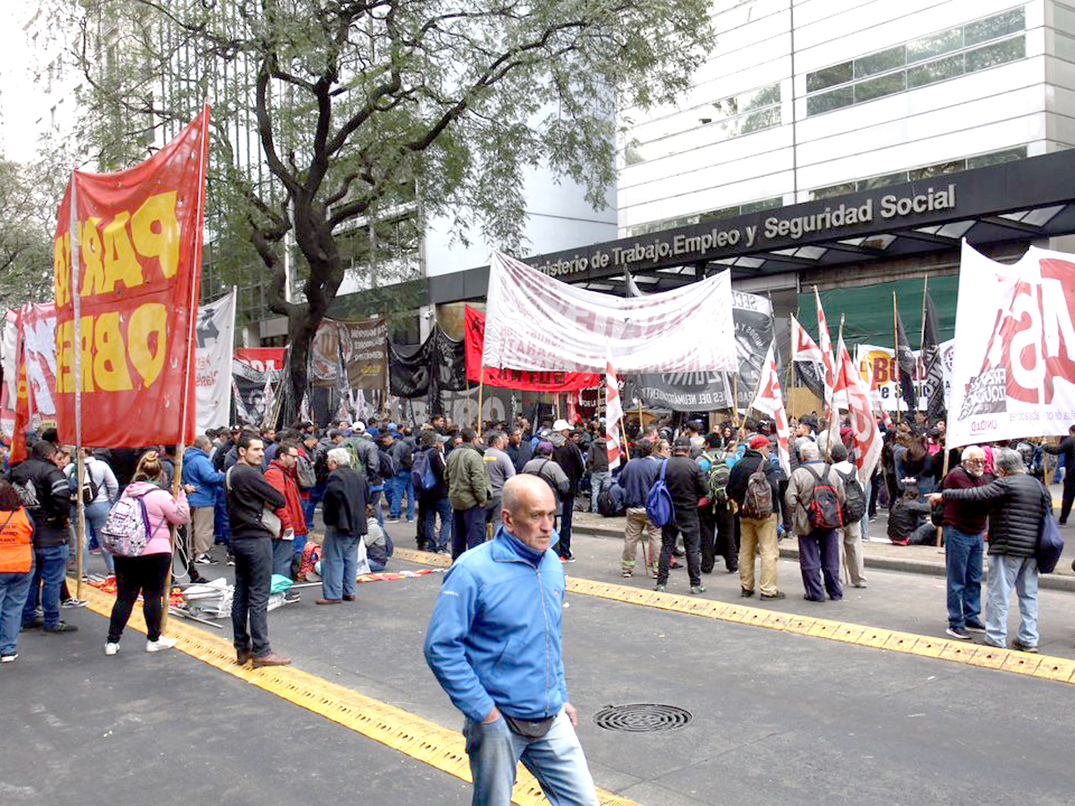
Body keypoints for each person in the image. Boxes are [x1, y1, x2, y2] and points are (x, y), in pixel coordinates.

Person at [424, 475, 599, 806]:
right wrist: (485, 713)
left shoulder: (550, 563)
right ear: (508, 518)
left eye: (552, 515)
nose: (547, 526)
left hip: (549, 716)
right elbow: (441, 648)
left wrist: (559, 694)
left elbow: (547, 636)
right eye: (536, 516)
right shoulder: (472, 570)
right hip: (498, 720)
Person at [929, 449, 1050, 652]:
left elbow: (976, 495)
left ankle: (995, 636)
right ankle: (1029, 638)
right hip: (1032, 549)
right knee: (1028, 595)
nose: (983, 466)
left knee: (999, 593)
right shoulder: (1038, 484)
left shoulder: (1005, 483)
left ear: (1002, 469)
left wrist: (943, 495)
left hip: (1007, 546)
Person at [104, 455, 191, 656]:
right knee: (153, 596)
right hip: (155, 551)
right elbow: (181, 517)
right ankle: (153, 639)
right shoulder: (161, 496)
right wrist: (181, 496)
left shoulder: (127, 493)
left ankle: (112, 641)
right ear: (161, 474)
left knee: (125, 598)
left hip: (125, 551)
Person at [225, 432, 289, 667]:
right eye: (256, 449)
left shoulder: (232, 472)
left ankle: (242, 648)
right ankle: (262, 650)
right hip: (256, 538)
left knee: (241, 594)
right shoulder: (248, 473)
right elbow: (278, 499)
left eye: (262, 449)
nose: (262, 453)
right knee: (258, 595)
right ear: (242, 451)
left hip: (239, 537)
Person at [13, 441, 79, 634]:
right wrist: (60, 516)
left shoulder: (17, 471)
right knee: (53, 579)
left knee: (31, 578)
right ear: (50, 455)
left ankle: (28, 617)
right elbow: (61, 498)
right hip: (52, 533)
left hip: (26, 532)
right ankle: (51, 619)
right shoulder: (52, 472)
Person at [936, 446, 989, 640]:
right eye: (976, 460)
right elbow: (977, 497)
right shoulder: (956, 475)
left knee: (974, 578)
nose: (981, 464)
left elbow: (985, 496)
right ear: (965, 461)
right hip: (958, 531)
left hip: (976, 532)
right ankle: (955, 621)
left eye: (983, 460)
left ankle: (971, 616)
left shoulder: (980, 478)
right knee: (957, 579)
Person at [786, 441, 845, 603]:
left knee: (810, 557)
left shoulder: (798, 473)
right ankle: (835, 591)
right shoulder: (831, 471)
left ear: (803, 456)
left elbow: (790, 500)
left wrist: (800, 507)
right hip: (830, 519)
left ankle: (815, 593)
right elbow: (842, 496)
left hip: (806, 521)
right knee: (831, 556)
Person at [727, 435, 784, 599]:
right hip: (765, 514)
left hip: (744, 513)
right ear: (760, 448)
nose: (769, 450)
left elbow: (729, 489)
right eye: (767, 447)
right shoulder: (766, 466)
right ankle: (768, 589)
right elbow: (775, 489)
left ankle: (746, 586)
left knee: (746, 549)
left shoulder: (738, 465)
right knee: (768, 550)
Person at [654, 438, 708, 595]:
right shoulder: (694, 466)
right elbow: (704, 490)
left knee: (667, 547)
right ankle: (695, 584)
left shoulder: (663, 465)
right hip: (689, 511)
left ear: (673, 449)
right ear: (688, 450)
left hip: (668, 512)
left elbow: (655, 486)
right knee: (691, 549)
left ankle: (661, 583)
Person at [318, 447, 367, 605]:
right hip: (358, 523)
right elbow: (367, 496)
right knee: (350, 558)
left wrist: (329, 520)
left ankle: (333, 594)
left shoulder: (335, 476)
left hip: (340, 523)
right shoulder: (358, 475)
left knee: (333, 559)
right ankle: (349, 591)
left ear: (334, 462)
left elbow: (332, 499)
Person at [63, 447, 120, 576]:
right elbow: (114, 485)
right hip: (101, 504)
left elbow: (62, 483)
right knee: (103, 538)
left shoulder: (71, 467)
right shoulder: (101, 465)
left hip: (78, 506)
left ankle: (82, 571)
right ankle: (112, 569)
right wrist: (110, 500)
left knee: (81, 539)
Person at [0, 479, 35, 662]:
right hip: (23, 563)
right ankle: (8, 650)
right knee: (13, 608)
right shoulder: (22, 513)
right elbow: (32, 532)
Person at [263, 440, 307, 579]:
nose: (295, 460)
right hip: (283, 527)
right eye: (293, 457)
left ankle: (280, 591)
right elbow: (278, 501)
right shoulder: (275, 474)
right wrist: (287, 524)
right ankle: (280, 592)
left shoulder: (281, 473)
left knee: (282, 560)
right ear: (282, 456)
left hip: (285, 525)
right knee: (281, 561)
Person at [617, 441, 661, 578]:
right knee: (655, 537)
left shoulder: (630, 464)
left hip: (633, 507)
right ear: (651, 451)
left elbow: (621, 483)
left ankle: (627, 568)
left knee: (631, 538)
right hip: (652, 508)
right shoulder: (656, 465)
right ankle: (656, 568)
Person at [446, 429, 491, 559]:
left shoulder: (452, 454)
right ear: (473, 439)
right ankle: (474, 564)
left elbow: (446, 476)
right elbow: (477, 480)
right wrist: (482, 499)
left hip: (456, 500)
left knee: (458, 537)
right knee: (475, 538)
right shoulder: (474, 455)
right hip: (472, 502)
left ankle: (457, 563)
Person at [182, 434, 224, 567]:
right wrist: (222, 476)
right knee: (204, 529)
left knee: (194, 529)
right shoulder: (201, 460)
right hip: (204, 498)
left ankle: (192, 553)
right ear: (204, 445)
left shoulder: (187, 458)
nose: (211, 446)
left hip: (192, 498)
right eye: (209, 444)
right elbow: (209, 477)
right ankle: (201, 554)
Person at [829, 443, 867, 589]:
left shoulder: (831, 471)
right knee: (855, 546)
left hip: (839, 512)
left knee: (837, 547)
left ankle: (837, 580)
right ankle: (859, 578)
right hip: (854, 511)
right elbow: (861, 487)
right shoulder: (854, 468)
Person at [550, 419, 585, 562]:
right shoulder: (571, 447)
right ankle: (564, 551)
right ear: (563, 431)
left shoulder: (546, 445)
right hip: (568, 488)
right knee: (566, 521)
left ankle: (551, 550)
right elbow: (580, 466)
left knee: (550, 519)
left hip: (551, 488)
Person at [482, 431, 516, 533]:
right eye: (503, 441)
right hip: (499, 495)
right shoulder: (503, 456)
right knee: (498, 522)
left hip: (483, 495)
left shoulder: (482, 455)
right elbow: (511, 477)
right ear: (498, 443)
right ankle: (497, 543)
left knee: (482, 523)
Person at [1043, 424, 1075, 524]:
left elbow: (1057, 450)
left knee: (1068, 498)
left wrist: (1045, 446)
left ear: (1072, 432)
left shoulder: (1070, 441)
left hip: (1072, 474)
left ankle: (1063, 519)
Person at [586, 432, 610, 514]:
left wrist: (591, 468)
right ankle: (606, 508)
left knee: (595, 491)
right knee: (607, 490)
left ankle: (594, 509)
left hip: (596, 470)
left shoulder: (593, 444)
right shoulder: (609, 444)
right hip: (607, 469)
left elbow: (590, 458)